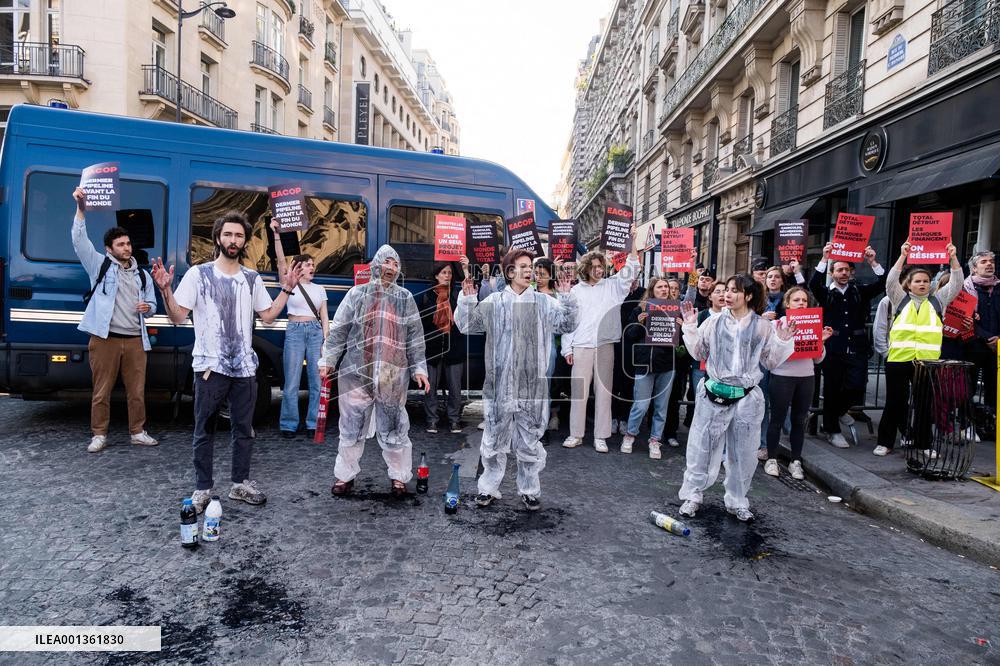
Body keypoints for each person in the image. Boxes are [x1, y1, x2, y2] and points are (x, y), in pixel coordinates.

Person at [153, 211, 303, 512]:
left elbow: (269, 316)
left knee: (244, 430)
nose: (233, 240)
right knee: (204, 430)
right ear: (217, 238)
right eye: (228, 234)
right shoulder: (199, 274)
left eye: (238, 236)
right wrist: (165, 289)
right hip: (210, 368)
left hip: (245, 368)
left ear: (244, 241)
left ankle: (239, 484)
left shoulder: (252, 278)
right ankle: (203, 489)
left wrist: (287, 288)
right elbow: (178, 316)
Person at [456, 248, 578, 511]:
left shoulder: (545, 303)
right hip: (500, 385)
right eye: (522, 266)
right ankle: (488, 488)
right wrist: (466, 300)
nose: (528, 271)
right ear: (509, 271)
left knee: (529, 439)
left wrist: (567, 297)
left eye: (530, 266)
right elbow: (468, 325)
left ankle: (530, 489)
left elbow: (567, 325)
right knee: (493, 438)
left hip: (531, 385)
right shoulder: (495, 302)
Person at [677, 274, 796, 522]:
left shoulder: (763, 326)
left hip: (746, 398)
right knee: (701, 448)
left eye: (734, 291)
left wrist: (783, 341)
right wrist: (690, 327)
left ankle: (737, 500)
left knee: (744, 453)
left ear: (749, 296)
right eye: (726, 290)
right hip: (714, 394)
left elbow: (770, 361)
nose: (727, 295)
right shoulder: (713, 322)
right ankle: (693, 495)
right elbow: (699, 352)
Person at [320, 245, 430, 496]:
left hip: (392, 375)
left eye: (395, 264)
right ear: (376, 264)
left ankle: (399, 478)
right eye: (387, 262)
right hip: (356, 374)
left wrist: (419, 368)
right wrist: (328, 360)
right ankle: (344, 476)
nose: (391, 268)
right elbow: (339, 332)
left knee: (394, 427)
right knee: (350, 427)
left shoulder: (405, 299)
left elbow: (415, 337)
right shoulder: (356, 295)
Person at [71, 188, 159, 453]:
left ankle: (138, 432)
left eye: (129, 244)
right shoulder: (99, 265)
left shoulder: (142, 275)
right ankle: (99, 434)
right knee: (101, 392)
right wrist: (81, 208)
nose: (127, 247)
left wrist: (148, 307)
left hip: (134, 340)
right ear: (109, 249)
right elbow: (78, 240)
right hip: (105, 339)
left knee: (137, 392)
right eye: (121, 244)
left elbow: (153, 306)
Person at [874, 242, 963, 456]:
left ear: (930, 284)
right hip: (898, 360)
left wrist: (953, 258)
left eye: (925, 281)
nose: (922, 284)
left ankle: (924, 444)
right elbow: (890, 281)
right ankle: (885, 442)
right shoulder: (898, 299)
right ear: (909, 284)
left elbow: (956, 284)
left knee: (925, 405)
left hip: (927, 362)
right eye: (918, 281)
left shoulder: (938, 300)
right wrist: (902, 256)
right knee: (894, 402)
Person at [561, 234, 640, 452]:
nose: (598, 269)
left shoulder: (613, 287)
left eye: (601, 266)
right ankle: (575, 434)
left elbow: (631, 269)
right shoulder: (575, 291)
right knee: (579, 391)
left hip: (605, 344)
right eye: (594, 266)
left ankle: (601, 436)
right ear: (585, 268)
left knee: (604, 392)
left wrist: (632, 243)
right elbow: (569, 320)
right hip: (581, 345)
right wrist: (567, 348)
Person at [809, 243, 886, 448]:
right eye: (839, 269)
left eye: (847, 270)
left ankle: (840, 411)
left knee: (857, 385)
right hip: (833, 347)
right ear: (833, 272)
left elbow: (884, 283)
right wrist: (824, 258)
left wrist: (872, 261)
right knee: (833, 388)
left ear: (852, 272)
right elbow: (814, 284)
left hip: (857, 347)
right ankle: (832, 430)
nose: (843, 273)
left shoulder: (860, 291)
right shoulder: (825, 293)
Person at [764, 287, 832, 479]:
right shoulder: (777, 324)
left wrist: (822, 342)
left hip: (806, 377)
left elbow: (818, 360)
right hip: (782, 376)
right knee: (776, 419)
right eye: (796, 300)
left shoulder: (814, 324)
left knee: (799, 421)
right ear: (787, 304)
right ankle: (771, 459)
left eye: (804, 300)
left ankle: (796, 461)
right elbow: (770, 358)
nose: (801, 303)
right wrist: (782, 340)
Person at [270, 220, 329, 439]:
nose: (312, 267)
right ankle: (288, 424)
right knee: (292, 381)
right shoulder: (290, 283)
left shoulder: (320, 289)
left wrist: (326, 341)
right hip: (294, 330)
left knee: (316, 381)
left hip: (315, 332)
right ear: (298, 268)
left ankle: (312, 423)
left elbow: (324, 317)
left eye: (313, 264)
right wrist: (276, 234)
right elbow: (280, 259)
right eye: (307, 264)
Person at [620, 277, 676, 459]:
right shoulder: (640, 309)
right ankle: (630, 434)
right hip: (644, 364)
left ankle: (655, 440)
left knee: (661, 407)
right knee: (641, 405)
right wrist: (639, 323)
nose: (664, 289)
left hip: (667, 365)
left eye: (666, 287)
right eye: (660, 287)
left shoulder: (674, 310)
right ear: (652, 290)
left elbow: (681, 340)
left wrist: (683, 328)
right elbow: (628, 335)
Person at [419, 261, 467, 434]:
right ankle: (432, 420)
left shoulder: (457, 294)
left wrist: (466, 268)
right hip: (432, 348)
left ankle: (454, 420)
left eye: (449, 273)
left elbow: (465, 315)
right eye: (444, 273)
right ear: (436, 275)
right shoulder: (427, 296)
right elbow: (421, 323)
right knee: (430, 387)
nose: (447, 276)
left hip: (454, 346)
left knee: (455, 387)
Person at [963, 250, 1000, 438]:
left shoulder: (999, 288)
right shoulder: (966, 288)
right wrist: (987, 338)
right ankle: (967, 425)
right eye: (984, 262)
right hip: (973, 345)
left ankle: (992, 424)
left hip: (997, 348)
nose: (989, 264)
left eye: (991, 261)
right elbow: (965, 317)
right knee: (967, 386)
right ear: (974, 268)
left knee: (995, 387)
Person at [612, 276, 645, 435]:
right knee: (613, 382)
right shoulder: (617, 292)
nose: (633, 282)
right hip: (614, 342)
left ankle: (624, 418)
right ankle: (612, 417)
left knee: (629, 383)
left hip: (633, 345)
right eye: (630, 279)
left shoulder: (643, 294)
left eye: (636, 279)